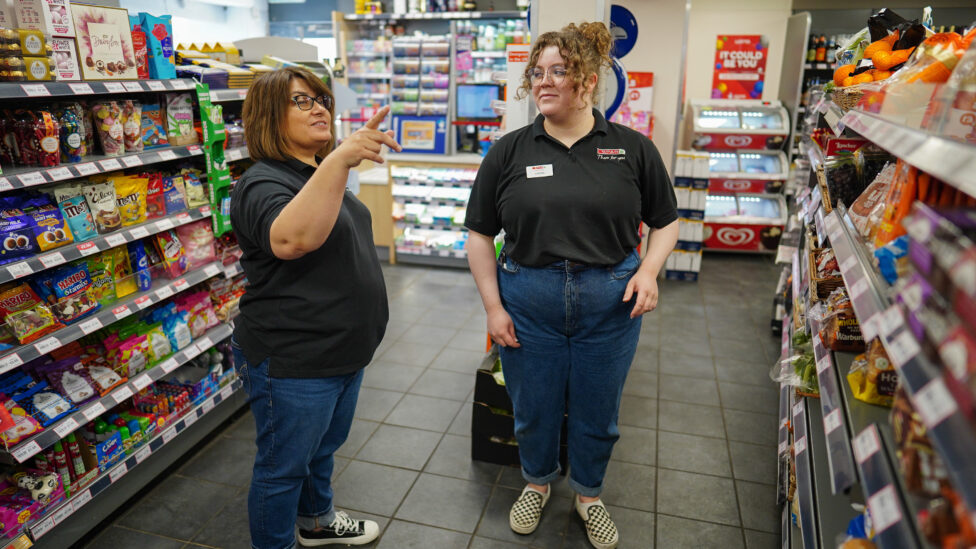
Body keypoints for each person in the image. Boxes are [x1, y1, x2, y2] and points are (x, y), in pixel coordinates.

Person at [464, 22, 679, 549]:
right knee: (532, 405)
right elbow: (479, 233)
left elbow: (666, 221)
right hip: (528, 299)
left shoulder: (632, 148)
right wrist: (493, 307)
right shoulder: (509, 152)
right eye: (537, 73)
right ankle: (536, 483)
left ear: (588, 79)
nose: (545, 81)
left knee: (597, 410)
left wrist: (648, 271)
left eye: (559, 71)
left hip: (610, 302)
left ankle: (588, 494)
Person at [230, 67, 401, 549]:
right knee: (282, 469)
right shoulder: (262, 182)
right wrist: (339, 160)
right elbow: (292, 239)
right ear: (267, 116)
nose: (320, 108)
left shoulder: (313, 171)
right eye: (301, 101)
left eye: (320, 98)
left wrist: (335, 163)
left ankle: (317, 521)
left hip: (340, 352)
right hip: (294, 358)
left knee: (321, 449)